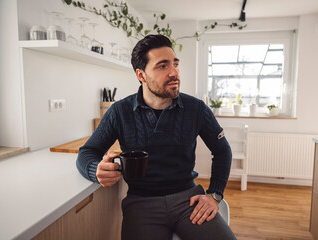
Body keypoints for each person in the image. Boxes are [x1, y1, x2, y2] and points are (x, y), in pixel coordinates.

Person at [76, 34, 236, 240]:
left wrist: (214, 195)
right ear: (141, 75)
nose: (174, 72)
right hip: (141, 203)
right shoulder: (119, 112)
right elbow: (87, 152)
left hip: (188, 200)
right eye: (163, 66)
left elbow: (222, 150)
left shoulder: (196, 109)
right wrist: (94, 170)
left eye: (175, 64)